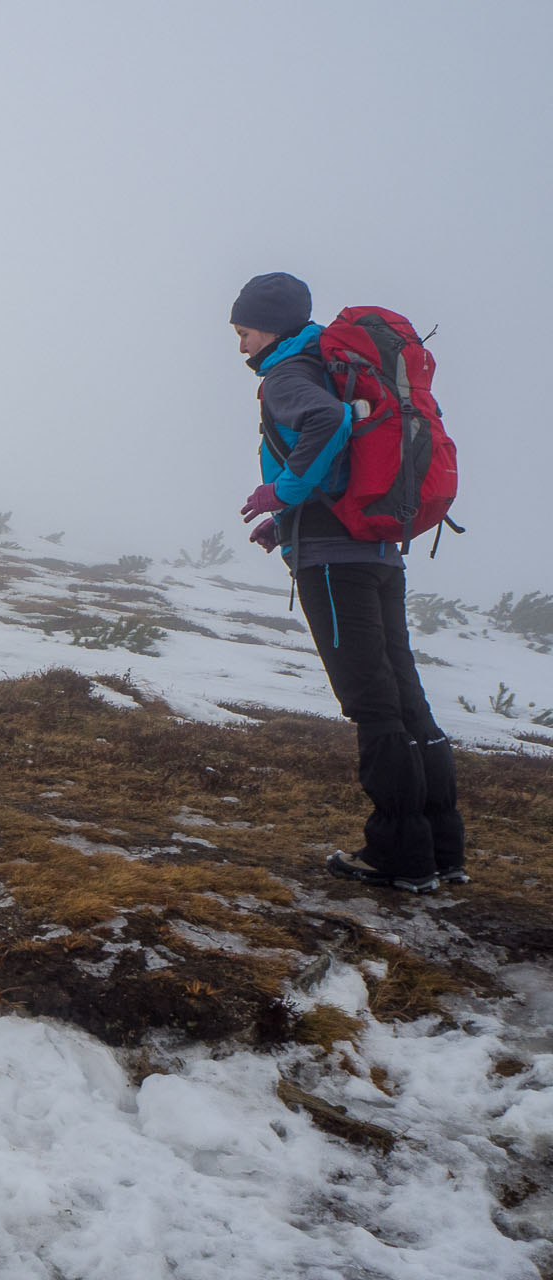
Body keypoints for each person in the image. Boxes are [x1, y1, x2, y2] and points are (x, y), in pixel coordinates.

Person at [231, 272, 466, 894]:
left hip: (334, 563)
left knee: (372, 703)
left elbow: (327, 425)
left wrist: (281, 492)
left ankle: (399, 856)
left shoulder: (288, 374)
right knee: (404, 693)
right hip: (378, 549)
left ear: (271, 327)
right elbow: (343, 456)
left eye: (244, 330)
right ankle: (442, 849)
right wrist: (287, 522)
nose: (240, 344)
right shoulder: (328, 361)